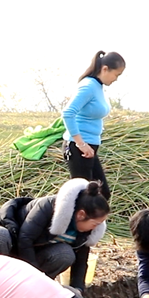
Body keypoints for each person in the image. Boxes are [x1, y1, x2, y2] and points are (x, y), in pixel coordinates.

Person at [0, 179, 108, 291]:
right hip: (12, 245)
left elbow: (81, 261)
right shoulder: (47, 207)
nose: (96, 228)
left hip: (34, 253)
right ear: (81, 215)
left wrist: (78, 289)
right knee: (0, 235)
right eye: (95, 223)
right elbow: (25, 239)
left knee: (65, 254)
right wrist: (31, 275)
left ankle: (35, 289)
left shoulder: (85, 230)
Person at [61, 51, 125, 201]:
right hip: (79, 148)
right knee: (85, 198)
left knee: (102, 194)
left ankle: (94, 224)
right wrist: (81, 144)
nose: (116, 79)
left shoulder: (97, 87)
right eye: (116, 74)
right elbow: (67, 113)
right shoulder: (88, 86)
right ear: (105, 69)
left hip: (91, 147)